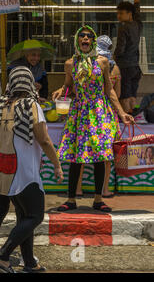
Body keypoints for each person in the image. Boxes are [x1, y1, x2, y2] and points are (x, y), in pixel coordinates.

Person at [0, 66, 63, 273]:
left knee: (24, 217)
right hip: (26, 173)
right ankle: (2, 255)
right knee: (35, 217)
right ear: (29, 83)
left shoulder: (0, 107)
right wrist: (56, 165)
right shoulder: (32, 106)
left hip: (7, 172)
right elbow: (44, 140)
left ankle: (29, 263)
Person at [55, 26, 132, 213]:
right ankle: (71, 199)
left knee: (101, 155)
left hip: (99, 111)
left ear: (94, 41)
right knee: (75, 157)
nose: (85, 38)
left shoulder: (103, 62)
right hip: (80, 112)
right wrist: (61, 91)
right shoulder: (70, 64)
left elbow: (109, 89)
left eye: (89, 36)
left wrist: (121, 113)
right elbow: (68, 85)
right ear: (77, 40)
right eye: (82, 35)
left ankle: (98, 199)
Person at [72, 35, 122, 198]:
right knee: (103, 152)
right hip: (104, 112)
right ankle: (104, 189)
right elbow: (116, 92)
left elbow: (74, 89)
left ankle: (80, 189)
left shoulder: (97, 64)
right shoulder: (112, 67)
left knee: (83, 152)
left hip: (95, 111)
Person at [114, 1, 143, 114]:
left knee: (125, 94)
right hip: (135, 67)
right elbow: (137, 10)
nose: (118, 16)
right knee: (132, 93)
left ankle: (127, 117)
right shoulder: (138, 25)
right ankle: (134, 115)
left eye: (121, 13)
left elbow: (120, 48)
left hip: (124, 66)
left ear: (129, 13)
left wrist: (114, 57)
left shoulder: (123, 28)